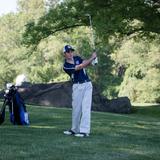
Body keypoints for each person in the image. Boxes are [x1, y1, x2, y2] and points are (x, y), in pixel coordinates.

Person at [63, 45, 97, 137]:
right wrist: (92, 57)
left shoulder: (77, 58)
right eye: (68, 52)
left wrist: (93, 61)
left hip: (87, 85)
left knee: (85, 108)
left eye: (71, 51)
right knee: (76, 109)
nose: (70, 53)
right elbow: (80, 67)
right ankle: (74, 129)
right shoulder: (66, 66)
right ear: (65, 54)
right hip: (77, 86)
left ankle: (84, 131)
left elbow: (86, 63)